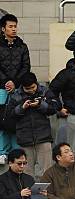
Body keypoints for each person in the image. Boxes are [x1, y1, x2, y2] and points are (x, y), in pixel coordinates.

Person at [8, 72, 59, 178]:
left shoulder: (45, 91)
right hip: (25, 138)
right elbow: (10, 115)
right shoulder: (16, 95)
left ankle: (47, 193)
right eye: (28, 89)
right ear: (22, 87)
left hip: (43, 136)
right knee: (26, 172)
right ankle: (27, 193)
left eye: (33, 87)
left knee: (47, 171)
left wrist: (40, 105)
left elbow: (55, 107)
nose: (31, 90)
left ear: (36, 83)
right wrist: (22, 108)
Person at [0, 14, 30, 164]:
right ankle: (2, 152)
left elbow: (26, 67)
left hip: (17, 88)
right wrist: (6, 81)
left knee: (17, 118)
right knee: (2, 119)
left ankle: (15, 152)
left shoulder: (22, 46)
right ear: (3, 28)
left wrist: (15, 82)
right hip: (1, 88)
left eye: (15, 26)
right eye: (10, 26)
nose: (13, 29)